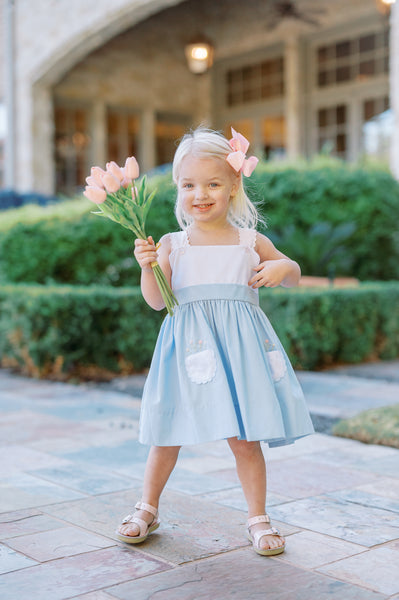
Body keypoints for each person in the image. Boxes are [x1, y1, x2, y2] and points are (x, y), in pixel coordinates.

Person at [116, 127, 314, 556]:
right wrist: (148, 267)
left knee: (246, 439)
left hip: (239, 355)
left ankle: (258, 517)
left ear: (233, 185)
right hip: (186, 352)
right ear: (178, 189)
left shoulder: (249, 241)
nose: (199, 194)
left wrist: (285, 268)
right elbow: (155, 303)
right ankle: (147, 506)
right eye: (188, 185)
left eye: (212, 183)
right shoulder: (173, 244)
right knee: (166, 435)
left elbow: (292, 270)